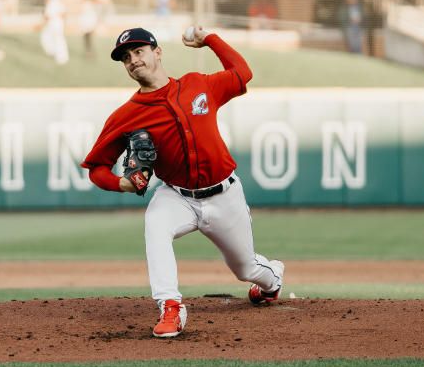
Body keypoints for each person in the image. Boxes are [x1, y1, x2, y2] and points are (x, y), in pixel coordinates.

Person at [80, 25, 286, 338]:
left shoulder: (198, 85)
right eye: (125, 57)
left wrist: (210, 40)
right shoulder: (126, 115)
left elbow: (242, 72)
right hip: (177, 196)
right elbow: (96, 167)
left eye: (138, 51)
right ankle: (171, 307)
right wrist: (121, 184)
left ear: (157, 52)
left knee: (245, 269)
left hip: (224, 194)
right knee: (155, 225)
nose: (133, 60)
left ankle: (272, 282)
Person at [40, 0, 69, 65]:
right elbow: (64, 14)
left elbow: (47, 16)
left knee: (51, 38)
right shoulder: (60, 4)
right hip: (58, 24)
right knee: (58, 39)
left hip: (53, 24)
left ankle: (58, 55)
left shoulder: (51, 4)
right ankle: (60, 55)